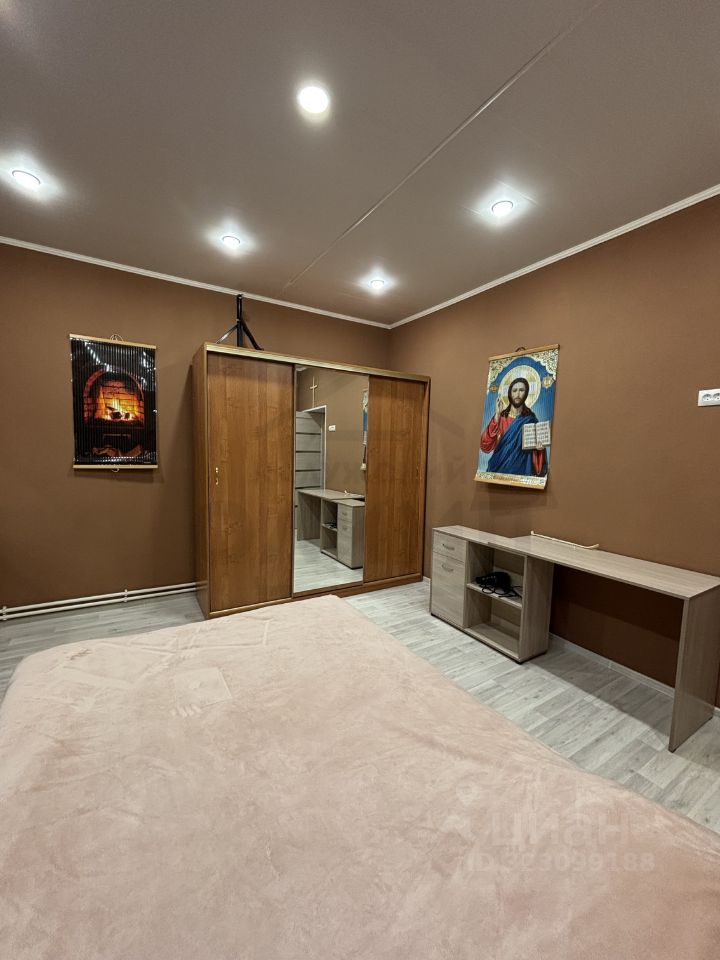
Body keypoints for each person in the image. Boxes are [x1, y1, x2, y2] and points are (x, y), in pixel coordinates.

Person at [480, 377, 546, 477]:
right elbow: (485, 445)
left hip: (522, 472)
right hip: (498, 469)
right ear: (510, 393)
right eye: (514, 390)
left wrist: (538, 449)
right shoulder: (501, 418)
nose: (518, 394)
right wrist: (497, 415)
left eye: (521, 390)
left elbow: (536, 455)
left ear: (526, 393)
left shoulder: (531, 420)